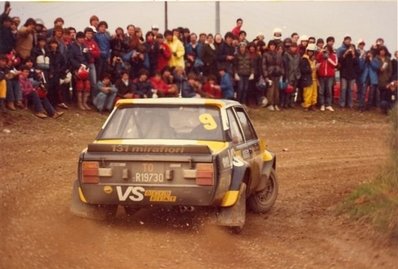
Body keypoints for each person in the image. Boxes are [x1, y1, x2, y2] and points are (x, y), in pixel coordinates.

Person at [68, 31, 92, 110]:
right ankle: (79, 103)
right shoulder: (72, 46)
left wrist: (87, 52)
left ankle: (85, 102)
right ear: (77, 38)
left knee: (87, 85)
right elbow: (71, 58)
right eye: (80, 38)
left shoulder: (84, 46)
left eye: (83, 38)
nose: (82, 40)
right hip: (77, 68)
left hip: (85, 68)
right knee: (80, 85)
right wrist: (79, 66)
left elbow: (88, 59)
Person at [316, 36, 338, 112]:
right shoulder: (322, 54)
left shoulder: (334, 54)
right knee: (321, 91)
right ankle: (322, 104)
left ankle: (328, 105)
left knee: (329, 90)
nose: (327, 51)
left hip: (330, 76)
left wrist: (328, 58)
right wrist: (321, 53)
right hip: (321, 75)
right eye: (326, 50)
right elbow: (317, 60)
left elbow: (335, 64)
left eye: (328, 50)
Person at [262, 40, 284, 111]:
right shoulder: (266, 54)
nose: (272, 46)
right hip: (270, 74)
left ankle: (276, 104)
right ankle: (270, 104)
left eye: (274, 45)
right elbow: (264, 66)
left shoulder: (279, 54)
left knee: (277, 90)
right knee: (270, 90)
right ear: (269, 46)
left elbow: (281, 65)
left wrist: (282, 73)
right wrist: (266, 76)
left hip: (277, 74)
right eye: (271, 45)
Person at [338, 43, 359, 108]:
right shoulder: (344, 54)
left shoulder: (355, 56)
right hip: (344, 75)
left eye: (352, 48)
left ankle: (350, 104)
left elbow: (357, 63)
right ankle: (342, 104)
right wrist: (345, 54)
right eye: (350, 48)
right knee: (343, 89)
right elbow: (340, 61)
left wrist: (353, 55)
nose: (351, 49)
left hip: (352, 75)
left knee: (350, 90)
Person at [282, 42, 301, 108]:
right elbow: (285, 65)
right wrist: (286, 75)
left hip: (296, 75)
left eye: (295, 47)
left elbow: (299, 65)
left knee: (294, 90)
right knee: (287, 90)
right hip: (289, 74)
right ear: (290, 47)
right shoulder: (286, 54)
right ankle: (286, 103)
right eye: (292, 47)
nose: (293, 48)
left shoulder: (298, 55)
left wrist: (298, 74)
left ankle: (292, 103)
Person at [300, 43, 318, 111]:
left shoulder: (314, 60)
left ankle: (313, 105)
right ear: (307, 51)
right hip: (307, 79)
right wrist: (313, 68)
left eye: (312, 51)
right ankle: (307, 105)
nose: (310, 52)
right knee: (308, 93)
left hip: (314, 79)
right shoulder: (304, 59)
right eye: (309, 51)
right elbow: (303, 70)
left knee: (314, 93)